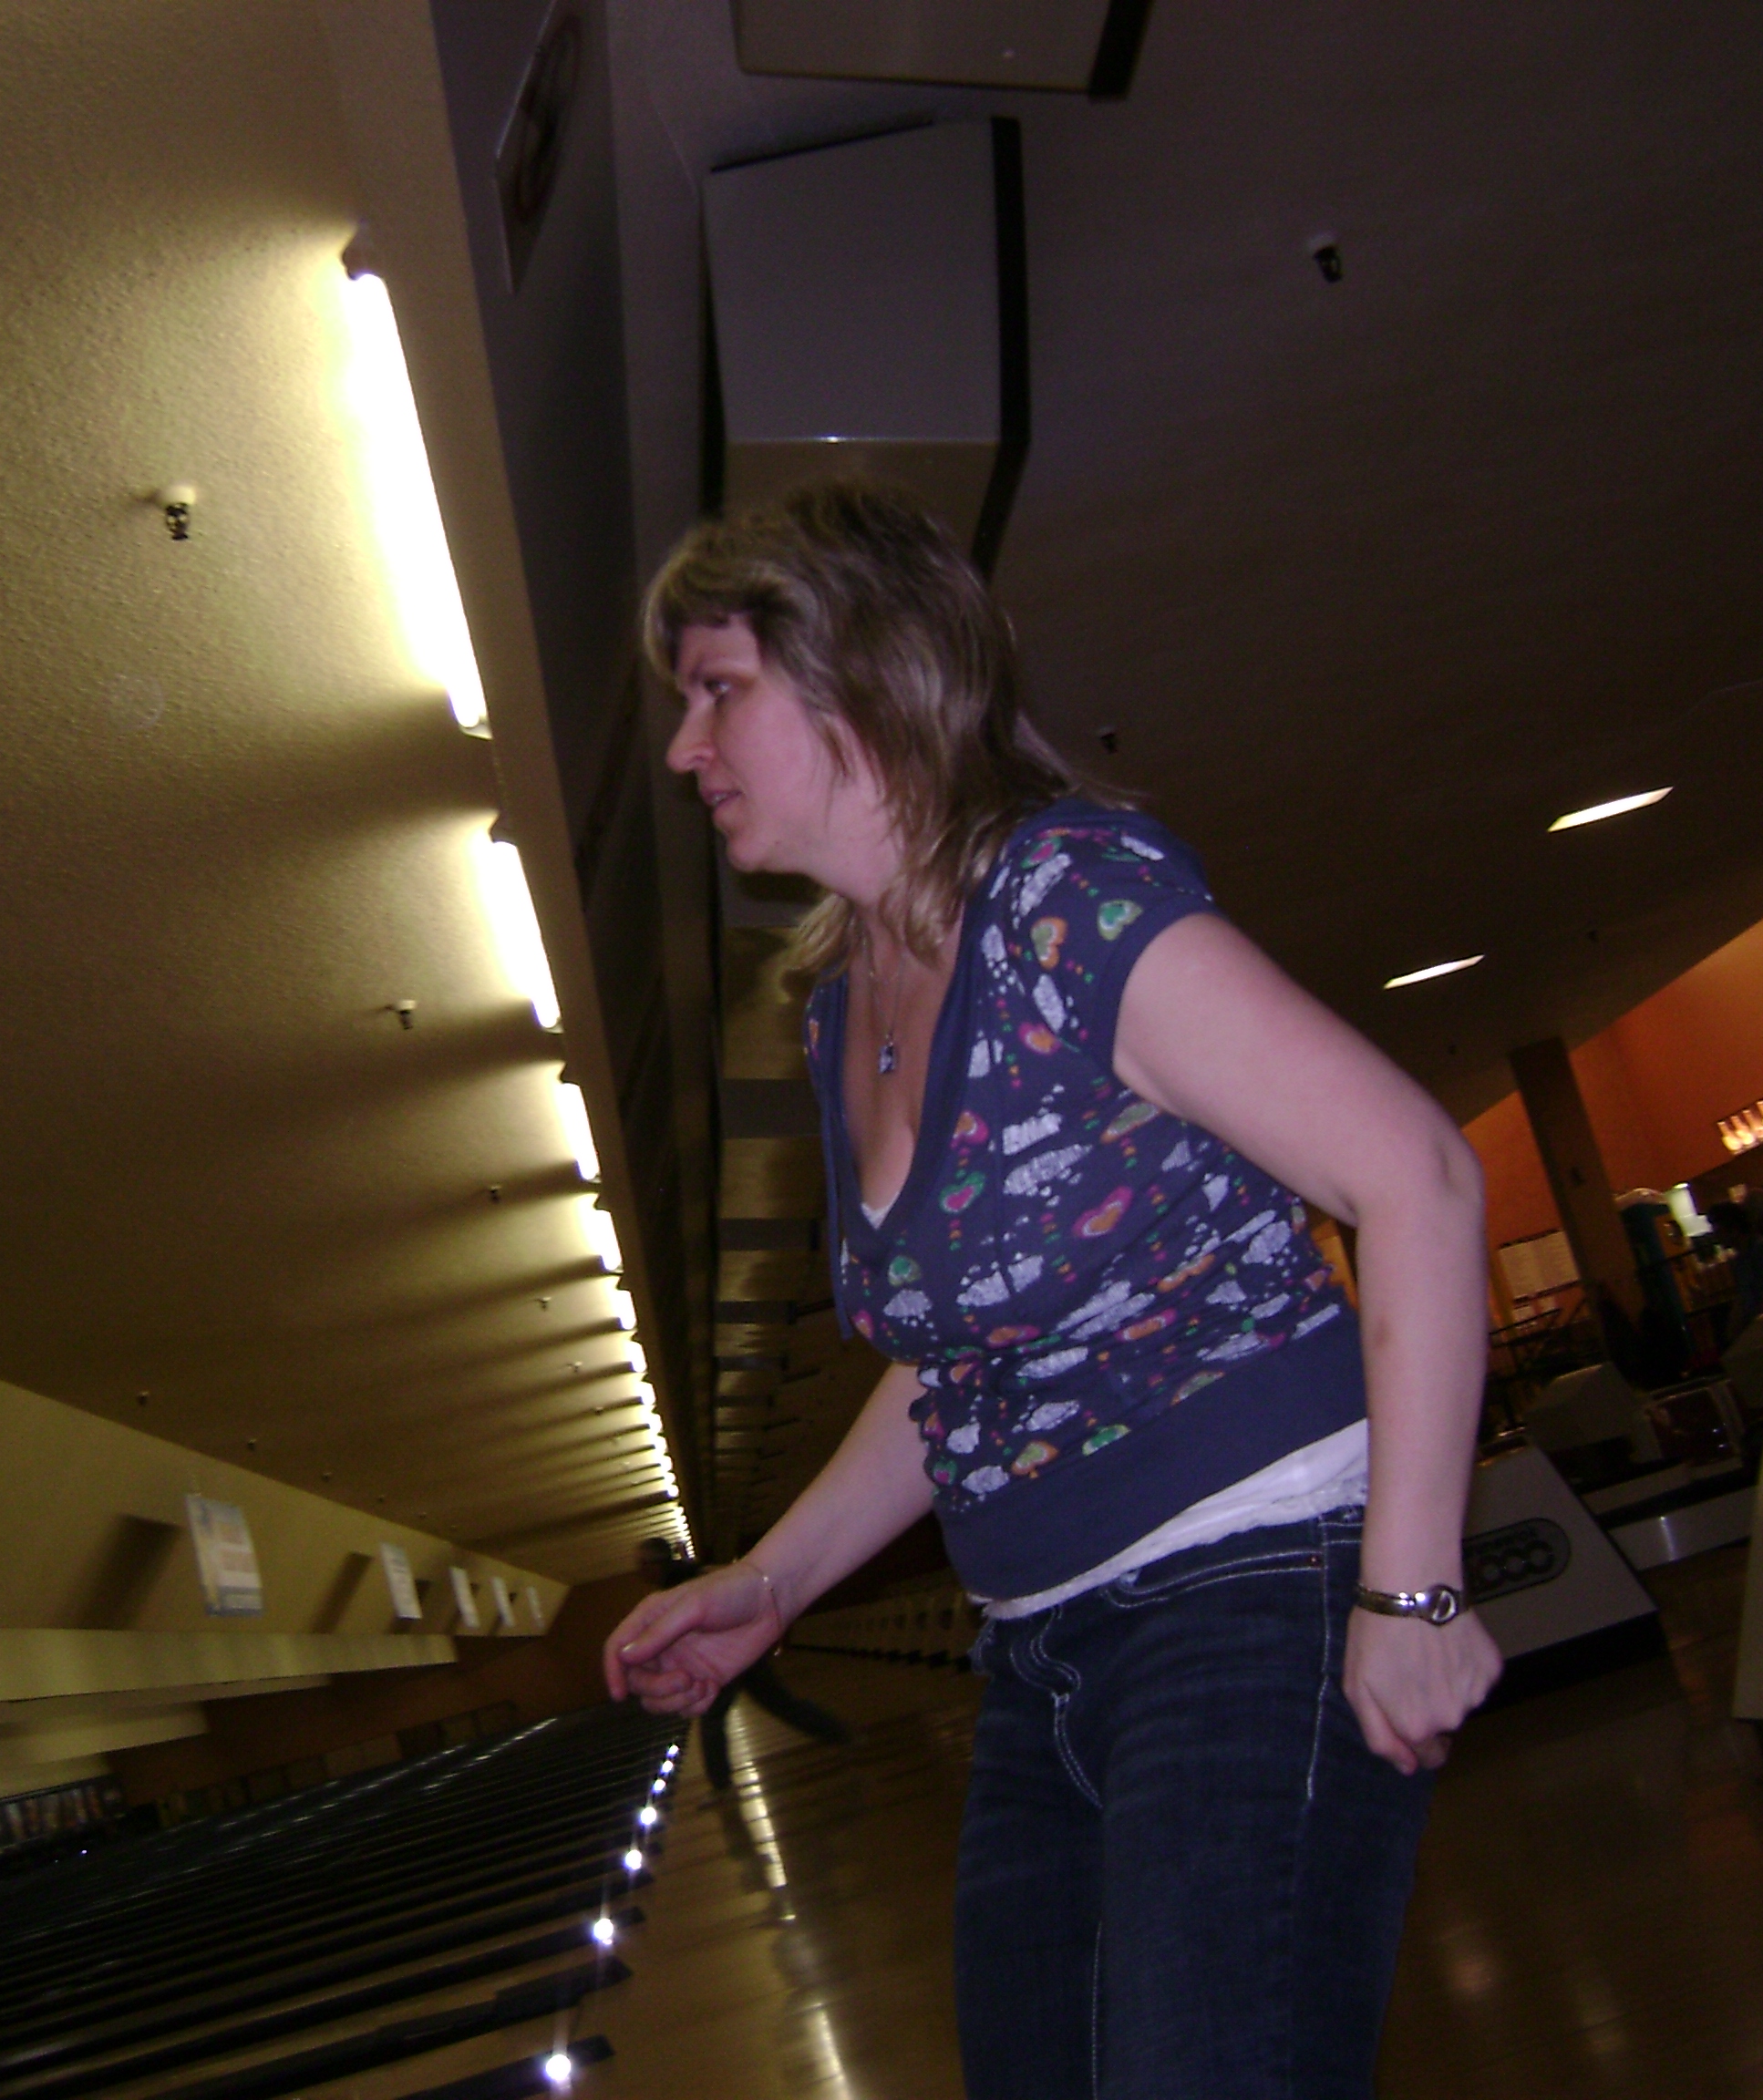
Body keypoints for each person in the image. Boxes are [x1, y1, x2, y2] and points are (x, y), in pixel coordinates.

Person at [601, 482, 1500, 2099]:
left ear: (863, 673)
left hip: (1252, 1583)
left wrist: (1411, 1589)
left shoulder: (1065, 899)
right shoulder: (838, 1002)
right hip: (1040, 1651)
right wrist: (772, 1580)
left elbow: (1416, 1178)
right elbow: (960, 1362)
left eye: (718, 689)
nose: (685, 748)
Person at [634, 1539, 851, 1788]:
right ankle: (840, 1734)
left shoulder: (679, 1583)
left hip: (727, 1657)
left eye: (641, 1564)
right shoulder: (688, 1575)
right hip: (737, 1653)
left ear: (654, 1563)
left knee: (716, 1718)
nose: (639, 1571)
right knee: (779, 1703)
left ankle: (721, 1786)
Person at [1705, 1199, 1763, 1344]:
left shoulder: (1762, 1250)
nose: (1716, 1237)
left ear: (1733, 1229)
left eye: (1718, 1231)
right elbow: (1742, 1299)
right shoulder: (1741, 1259)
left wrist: (1761, 1332)